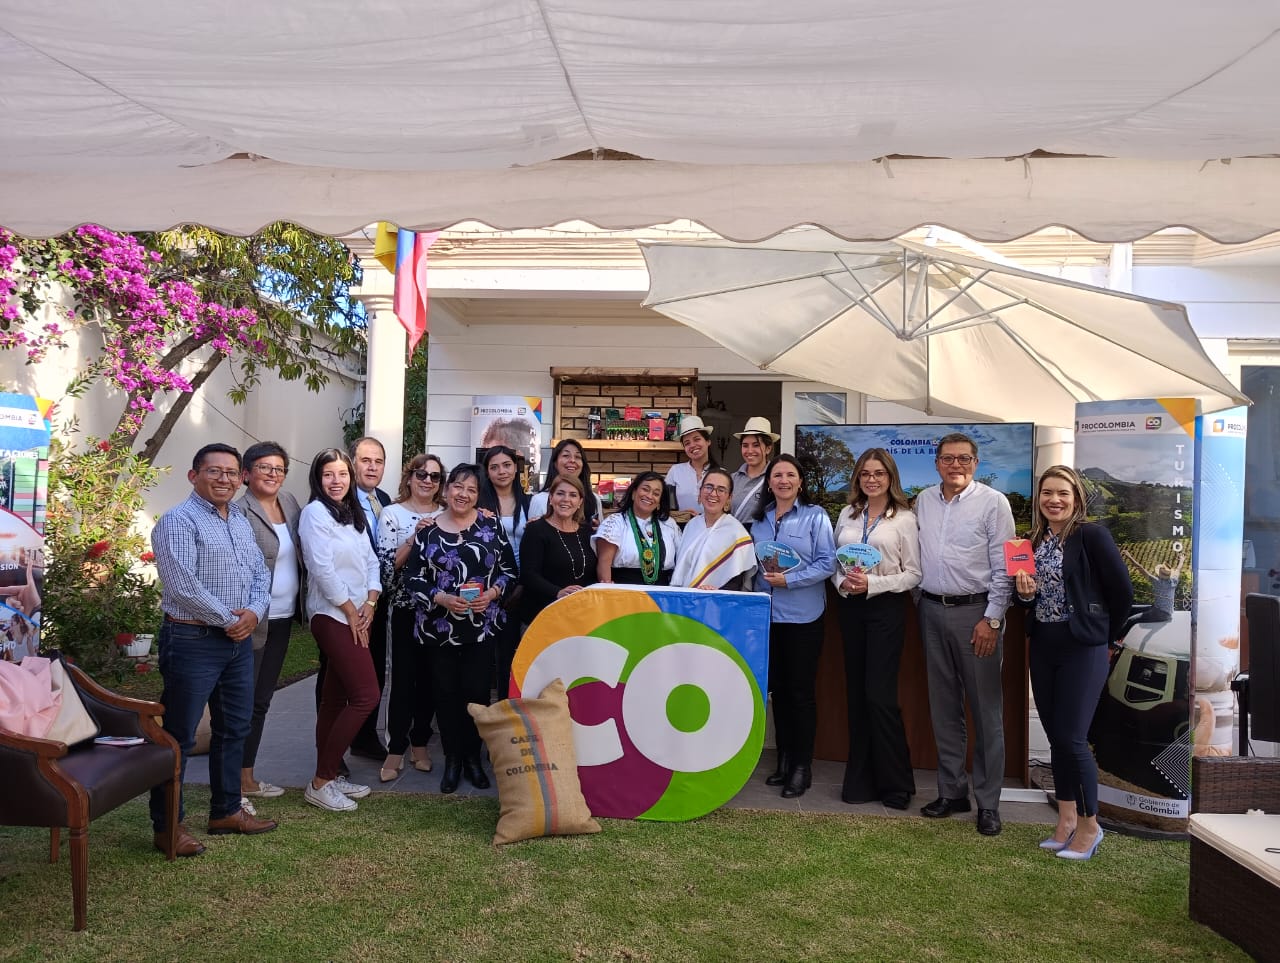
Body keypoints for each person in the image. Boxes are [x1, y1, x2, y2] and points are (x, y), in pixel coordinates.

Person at [149, 443, 278, 858]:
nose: (224, 479)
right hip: (193, 641)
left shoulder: (239, 520)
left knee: (233, 728)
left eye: (231, 472)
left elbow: (261, 573)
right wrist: (231, 620)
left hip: (236, 641)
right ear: (194, 476)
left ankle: (226, 811)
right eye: (213, 471)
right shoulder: (178, 522)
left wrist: (254, 614)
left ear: (240, 478)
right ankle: (168, 826)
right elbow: (182, 586)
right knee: (179, 737)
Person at [1014, 465, 1133, 861]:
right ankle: (1065, 820)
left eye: (1062, 493)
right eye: (1047, 493)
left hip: (1083, 645)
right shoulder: (1033, 540)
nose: (1054, 500)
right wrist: (1025, 594)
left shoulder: (1091, 536)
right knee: (1056, 738)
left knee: (1073, 739)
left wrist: (1106, 638)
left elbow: (1122, 593)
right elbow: (1027, 600)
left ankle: (1090, 826)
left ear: (1077, 498)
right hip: (1045, 643)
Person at [915, 432, 1015, 836]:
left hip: (976, 614)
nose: (956, 466)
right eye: (948, 459)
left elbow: (1004, 565)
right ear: (936, 463)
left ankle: (988, 803)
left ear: (975, 464)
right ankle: (952, 791)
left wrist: (992, 619)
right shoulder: (924, 499)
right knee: (944, 708)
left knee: (986, 712)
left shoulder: (993, 503)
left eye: (964, 459)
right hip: (931, 609)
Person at [405, 463, 518, 794]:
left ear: (477, 495)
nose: (463, 494)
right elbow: (412, 578)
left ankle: (473, 759)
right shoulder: (427, 531)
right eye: (457, 486)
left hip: (480, 628)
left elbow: (509, 570)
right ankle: (453, 760)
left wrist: (494, 593)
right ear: (447, 489)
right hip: (439, 629)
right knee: (446, 695)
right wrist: (440, 597)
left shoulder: (490, 526)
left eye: (471, 489)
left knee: (477, 694)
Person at [831, 448, 920, 810]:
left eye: (879, 473)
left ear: (890, 478)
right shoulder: (847, 514)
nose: (871, 479)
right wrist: (844, 584)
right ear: (857, 478)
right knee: (855, 694)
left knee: (879, 696)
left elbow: (915, 574)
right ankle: (860, 780)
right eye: (865, 473)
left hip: (885, 609)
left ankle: (896, 784)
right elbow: (836, 562)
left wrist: (874, 586)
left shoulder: (904, 519)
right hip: (850, 608)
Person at [298, 448, 381, 813]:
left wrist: (371, 603)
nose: (336, 481)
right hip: (331, 614)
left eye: (342, 474)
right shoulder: (314, 513)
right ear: (318, 478)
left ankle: (327, 775)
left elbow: (372, 562)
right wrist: (351, 610)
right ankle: (321, 782)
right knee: (366, 695)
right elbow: (321, 567)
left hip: (357, 612)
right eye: (328, 474)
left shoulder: (352, 514)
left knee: (334, 700)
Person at [750, 453, 836, 799]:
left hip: (803, 616)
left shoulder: (816, 517)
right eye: (777, 476)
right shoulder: (759, 521)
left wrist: (793, 580)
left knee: (800, 694)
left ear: (800, 481)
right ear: (769, 483)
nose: (783, 480)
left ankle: (802, 766)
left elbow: (828, 562)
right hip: (767, 617)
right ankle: (783, 761)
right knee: (778, 693)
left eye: (790, 475)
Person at [235, 441, 302, 804]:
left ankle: (247, 776)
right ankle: (233, 780)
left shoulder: (289, 503)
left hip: (283, 618)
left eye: (279, 468)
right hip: (251, 619)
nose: (274, 474)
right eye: (265, 467)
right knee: (241, 701)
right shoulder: (238, 509)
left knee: (261, 700)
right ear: (247, 474)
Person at [375, 453, 446, 782]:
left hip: (438, 610)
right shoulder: (392, 514)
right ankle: (395, 748)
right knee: (402, 680)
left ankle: (420, 744)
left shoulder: (448, 513)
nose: (427, 481)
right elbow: (387, 571)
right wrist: (415, 536)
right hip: (404, 608)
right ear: (409, 477)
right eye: (421, 474)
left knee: (431, 680)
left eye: (434, 476)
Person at [344, 436, 392, 762]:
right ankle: (333, 747)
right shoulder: (340, 500)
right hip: (346, 603)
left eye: (378, 461)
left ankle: (365, 737)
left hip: (377, 600)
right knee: (339, 676)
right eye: (365, 460)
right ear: (352, 464)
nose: (372, 467)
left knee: (374, 670)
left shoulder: (384, 500)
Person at [478, 444, 531, 698]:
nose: (502, 471)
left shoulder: (531, 502)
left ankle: (512, 708)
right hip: (493, 586)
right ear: (487, 472)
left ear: (516, 468)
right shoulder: (478, 504)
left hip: (527, 583)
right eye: (494, 467)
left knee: (517, 653)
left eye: (507, 465)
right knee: (494, 654)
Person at [520, 474, 598, 621]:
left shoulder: (587, 532)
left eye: (573, 495)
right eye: (560, 493)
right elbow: (528, 575)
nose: (566, 499)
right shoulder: (536, 530)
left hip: (580, 616)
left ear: (580, 502)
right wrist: (558, 592)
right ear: (551, 498)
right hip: (543, 616)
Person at [672, 467, 757, 590]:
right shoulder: (691, 525)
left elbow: (737, 577)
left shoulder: (737, 532)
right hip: (684, 602)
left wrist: (716, 591)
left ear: (729, 498)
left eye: (721, 489)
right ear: (700, 492)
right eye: (708, 487)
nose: (713, 493)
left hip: (717, 602)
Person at [594, 471, 682, 585]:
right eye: (645, 489)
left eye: (656, 493)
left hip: (662, 595)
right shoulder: (615, 522)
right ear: (633, 493)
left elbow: (683, 560)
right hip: (624, 593)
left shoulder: (669, 524)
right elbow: (604, 564)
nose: (650, 496)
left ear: (660, 501)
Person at [528, 439, 603, 529]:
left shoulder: (594, 499)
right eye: (566, 455)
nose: (572, 460)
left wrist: (598, 531)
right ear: (555, 463)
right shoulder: (539, 500)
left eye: (578, 457)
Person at [1118, 548, 1183, 641]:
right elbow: (1178, 569)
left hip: (1160, 613)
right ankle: (1120, 630)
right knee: (1131, 608)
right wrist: (1182, 560)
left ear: (1160, 575)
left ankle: (1114, 641)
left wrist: (1129, 556)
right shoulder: (1174, 580)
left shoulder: (1157, 582)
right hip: (1161, 610)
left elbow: (1140, 568)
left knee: (1131, 620)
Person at [730, 416, 778, 521]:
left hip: (764, 536)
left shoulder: (776, 478)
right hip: (735, 536)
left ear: (768, 449)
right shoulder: (732, 479)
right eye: (745, 445)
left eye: (756, 445)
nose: (750, 451)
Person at [665, 415, 716, 513]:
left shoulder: (721, 473)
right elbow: (665, 505)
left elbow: (725, 508)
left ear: (708, 441)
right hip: (680, 526)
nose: (692, 445)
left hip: (712, 527)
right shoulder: (675, 471)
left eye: (697, 439)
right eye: (687, 443)